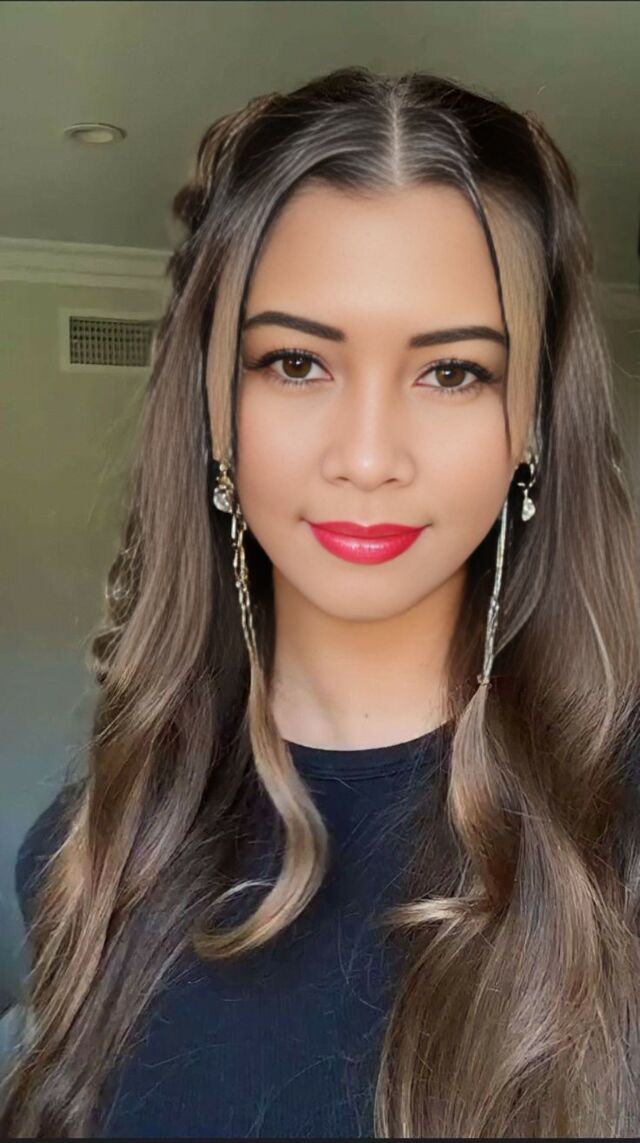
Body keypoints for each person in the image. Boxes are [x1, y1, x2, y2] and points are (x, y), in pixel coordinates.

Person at [2, 65, 640, 1139]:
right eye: (296, 362)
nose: (368, 456)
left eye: (452, 372)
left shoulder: (617, 845)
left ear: (532, 425)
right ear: (215, 409)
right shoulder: (91, 857)